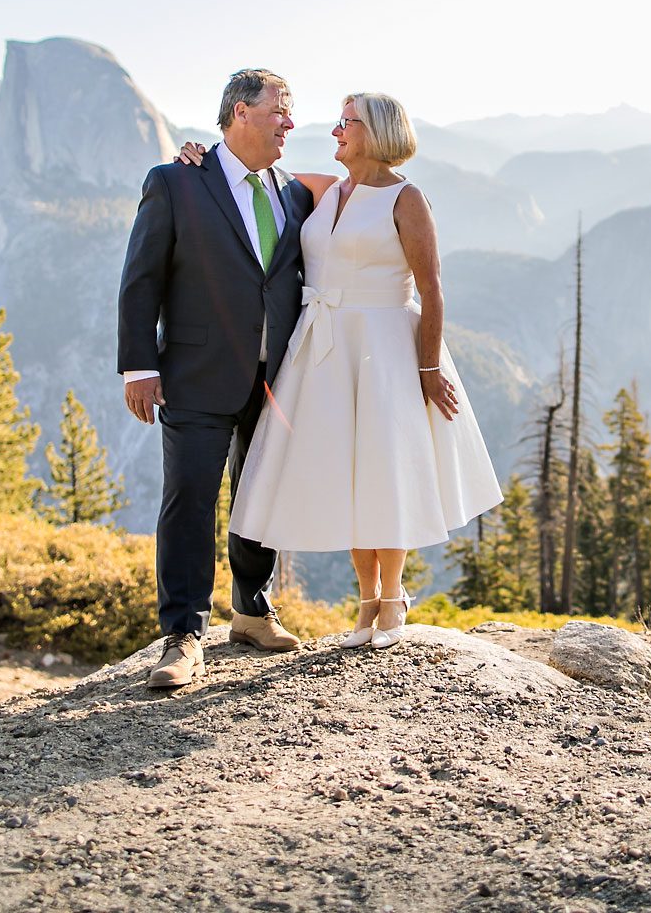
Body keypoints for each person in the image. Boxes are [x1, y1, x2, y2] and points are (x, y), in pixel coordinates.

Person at [178, 92, 504, 649]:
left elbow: (431, 289)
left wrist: (428, 365)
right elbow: (250, 174)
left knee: (384, 465)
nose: (335, 131)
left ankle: (393, 595)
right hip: (323, 347)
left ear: (374, 132)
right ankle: (366, 599)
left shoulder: (406, 199)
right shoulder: (325, 190)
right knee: (347, 469)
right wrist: (201, 158)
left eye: (345, 123)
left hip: (386, 346)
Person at [117, 69, 315, 690]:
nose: (289, 123)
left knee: (260, 496)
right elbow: (140, 278)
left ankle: (252, 611)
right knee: (190, 501)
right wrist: (139, 365)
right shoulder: (176, 181)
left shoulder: (297, 193)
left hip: (274, 379)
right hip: (195, 374)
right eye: (279, 111)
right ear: (238, 113)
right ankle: (182, 635)